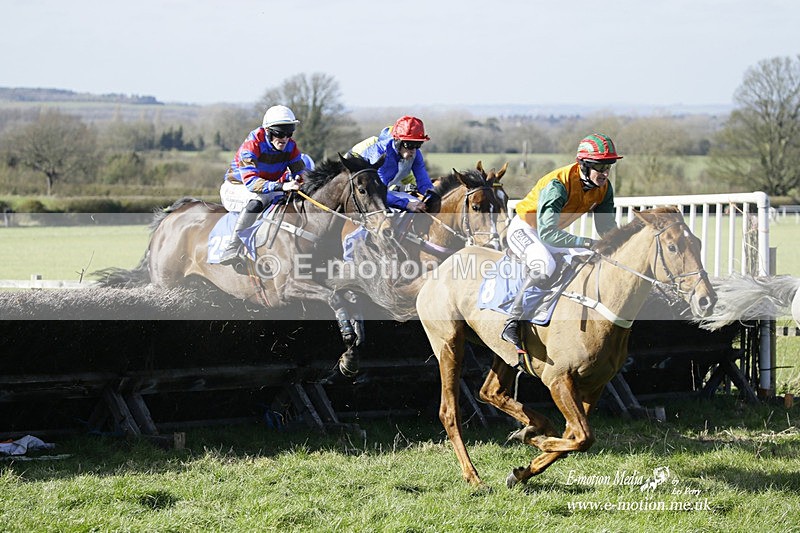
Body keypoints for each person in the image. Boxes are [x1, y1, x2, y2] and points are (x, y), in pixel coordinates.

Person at [500, 132, 623, 350]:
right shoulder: (558, 185)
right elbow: (547, 234)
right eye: (600, 167)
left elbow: (607, 229)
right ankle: (512, 320)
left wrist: (621, 249)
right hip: (525, 229)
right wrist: (586, 242)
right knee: (545, 264)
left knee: (587, 260)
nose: (605, 174)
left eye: (608, 167)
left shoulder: (604, 188)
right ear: (584, 165)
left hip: (550, 232)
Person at [218, 105, 306, 265]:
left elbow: (301, 172)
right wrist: (282, 186)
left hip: (266, 187)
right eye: (280, 133)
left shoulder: (291, 146)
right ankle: (232, 246)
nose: (285, 138)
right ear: (268, 131)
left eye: (289, 133)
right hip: (238, 187)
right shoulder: (251, 145)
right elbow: (252, 184)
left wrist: (299, 180)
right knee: (258, 200)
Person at [350, 115, 434, 212]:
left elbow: (424, 182)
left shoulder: (415, 153)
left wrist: (434, 197)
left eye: (418, 145)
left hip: (379, 192)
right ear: (398, 141)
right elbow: (377, 193)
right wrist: (406, 204)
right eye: (410, 145)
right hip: (360, 192)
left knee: (417, 205)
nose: (414, 151)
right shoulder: (380, 156)